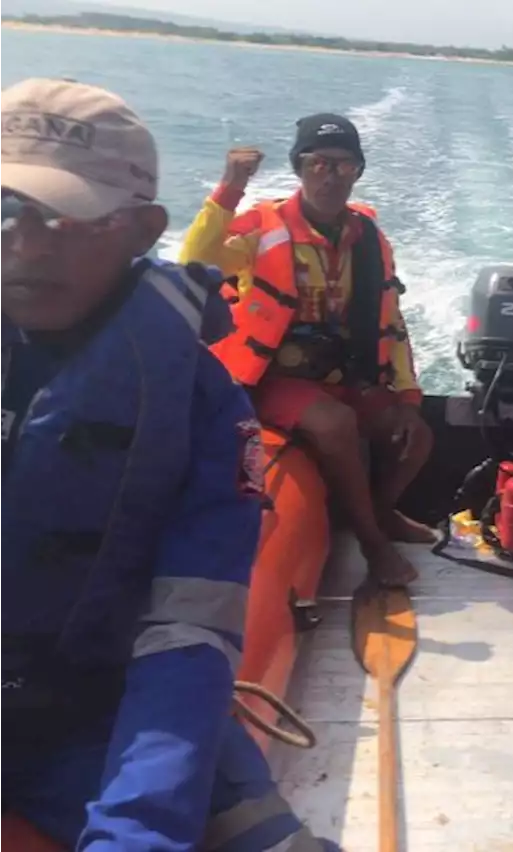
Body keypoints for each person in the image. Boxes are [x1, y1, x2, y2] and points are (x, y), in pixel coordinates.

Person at [0, 78, 335, 851]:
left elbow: (187, 635)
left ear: (141, 230)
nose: (28, 243)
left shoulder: (203, 412)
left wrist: (137, 830)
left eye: (69, 217)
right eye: (7, 211)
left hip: (92, 714)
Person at [179, 114, 430, 588]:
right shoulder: (261, 227)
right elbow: (195, 261)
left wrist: (408, 399)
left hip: (344, 375)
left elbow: (392, 323)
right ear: (299, 167)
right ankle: (373, 544)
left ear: (357, 172)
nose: (331, 176)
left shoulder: (371, 240)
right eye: (319, 163)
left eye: (344, 165)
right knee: (336, 426)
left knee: (415, 436)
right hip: (273, 378)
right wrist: (230, 188)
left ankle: (382, 512)